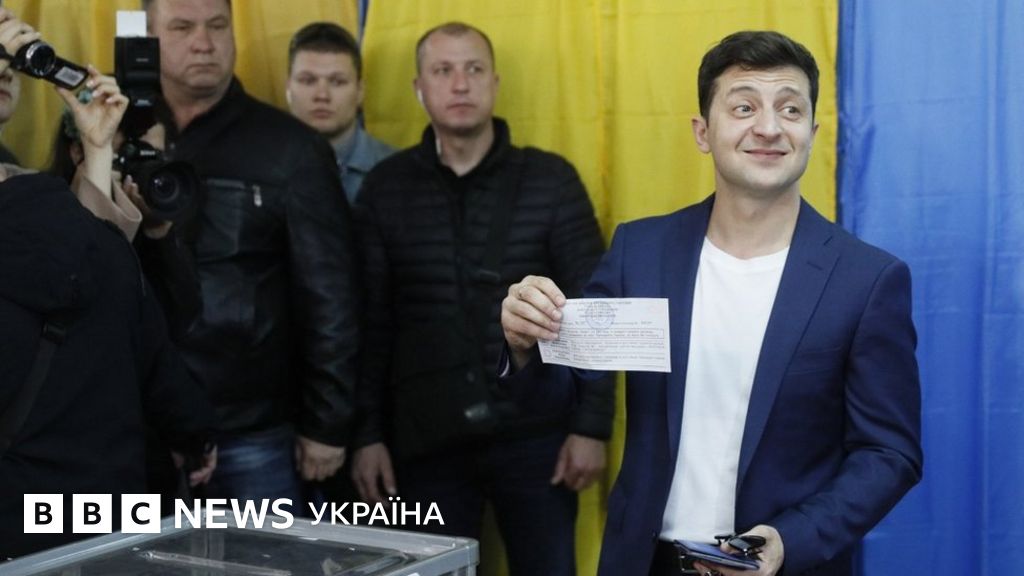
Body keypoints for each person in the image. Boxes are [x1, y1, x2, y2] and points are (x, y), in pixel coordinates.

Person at [500, 30, 923, 576]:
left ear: (813, 133)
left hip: (779, 565)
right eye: (744, 107)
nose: (768, 127)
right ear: (703, 132)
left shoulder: (866, 280)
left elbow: (889, 453)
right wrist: (525, 345)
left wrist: (787, 540)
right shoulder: (642, 251)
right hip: (644, 561)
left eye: (790, 109)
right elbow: (566, 391)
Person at [351, 22, 613, 575]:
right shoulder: (386, 187)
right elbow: (371, 322)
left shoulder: (551, 180)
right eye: (442, 70)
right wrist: (367, 436)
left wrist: (590, 427)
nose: (460, 84)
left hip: (537, 437)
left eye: (473, 69)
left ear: (494, 82)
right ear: (419, 88)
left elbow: (594, 307)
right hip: (426, 439)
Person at [0, 8, 215, 559]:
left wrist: (99, 149)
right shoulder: (38, 206)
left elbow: (91, 283)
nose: (5, 63)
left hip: (85, 520)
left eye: (8, 52)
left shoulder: (38, 201)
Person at [137, 0, 359, 506]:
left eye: (217, 26)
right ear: (147, 38)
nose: (203, 42)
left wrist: (327, 424)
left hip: (251, 428)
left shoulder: (291, 148)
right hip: (136, 422)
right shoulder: (109, 132)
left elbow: (332, 297)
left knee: (262, 551)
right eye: (182, 27)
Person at [286, 22, 393, 204]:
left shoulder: (400, 172)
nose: (322, 95)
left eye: (337, 82)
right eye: (308, 80)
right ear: (288, 88)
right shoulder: (258, 167)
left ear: (360, 91)